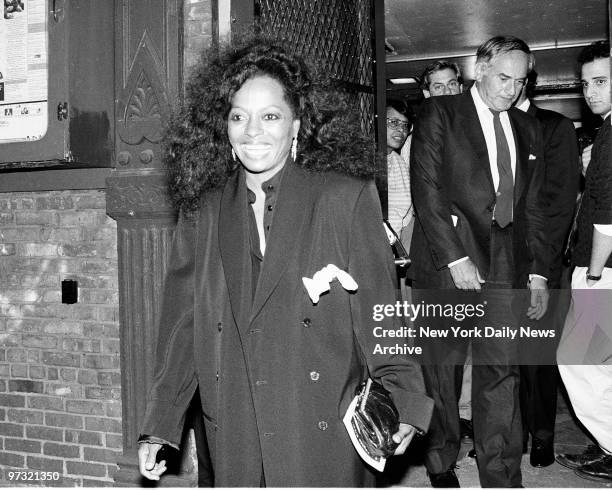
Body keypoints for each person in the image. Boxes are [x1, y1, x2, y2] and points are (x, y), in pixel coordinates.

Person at [136, 39, 433, 487]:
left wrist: (405, 396)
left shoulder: (343, 195)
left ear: (296, 124)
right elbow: (183, 322)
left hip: (318, 411)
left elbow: (380, 310)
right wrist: (161, 422)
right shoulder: (205, 208)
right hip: (235, 412)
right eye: (239, 116)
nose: (252, 131)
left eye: (270, 116)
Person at [410, 35, 549, 487]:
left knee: (502, 370)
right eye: (503, 78)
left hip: (508, 261)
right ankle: (440, 459)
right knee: (443, 371)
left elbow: (533, 208)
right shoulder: (440, 114)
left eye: (520, 81)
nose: (511, 90)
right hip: (451, 257)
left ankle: (502, 475)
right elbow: (427, 192)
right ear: (481, 69)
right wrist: (455, 259)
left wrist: (538, 271)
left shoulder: (528, 129)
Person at [514, 68, 580, 468]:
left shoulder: (554, 127)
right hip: (498, 263)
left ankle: (542, 437)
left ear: (527, 83)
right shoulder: (488, 128)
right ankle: (507, 434)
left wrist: (542, 267)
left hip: (541, 262)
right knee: (504, 354)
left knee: (538, 355)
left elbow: (560, 203)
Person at [556, 40, 612, 484]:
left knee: (578, 361)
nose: (590, 92)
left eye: (601, 81)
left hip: (603, 270)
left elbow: (608, 217)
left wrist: (593, 274)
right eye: (586, 82)